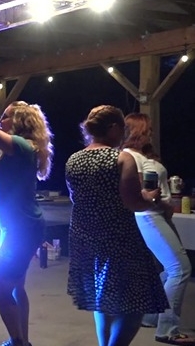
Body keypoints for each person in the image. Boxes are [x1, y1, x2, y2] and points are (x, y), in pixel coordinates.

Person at [65, 105, 167, 346]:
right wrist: (150, 196)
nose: (124, 133)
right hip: (118, 240)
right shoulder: (122, 158)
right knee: (135, 304)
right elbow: (133, 203)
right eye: (122, 127)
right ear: (112, 128)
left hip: (85, 240)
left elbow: (75, 198)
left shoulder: (73, 159)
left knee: (103, 298)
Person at [0, 76, 54, 346]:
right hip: (18, 226)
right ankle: (22, 339)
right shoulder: (10, 149)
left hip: (22, 228)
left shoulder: (20, 146)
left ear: (19, 123)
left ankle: (18, 342)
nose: (0, 121)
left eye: (5, 117)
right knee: (15, 285)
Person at [122, 113, 193, 345]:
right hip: (150, 215)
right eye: (147, 129)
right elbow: (142, 193)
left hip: (159, 215)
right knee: (180, 269)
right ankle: (168, 329)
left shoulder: (144, 155)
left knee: (166, 269)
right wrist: (162, 202)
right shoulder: (131, 156)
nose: (151, 133)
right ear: (137, 131)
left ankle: (151, 316)